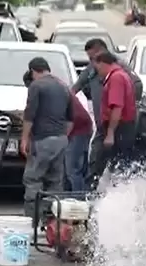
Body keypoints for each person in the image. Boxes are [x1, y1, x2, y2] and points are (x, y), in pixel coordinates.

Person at [20, 57, 74, 219]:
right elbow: (70, 119)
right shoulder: (64, 86)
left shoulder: (37, 86)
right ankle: (52, 220)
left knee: (33, 179)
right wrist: (63, 136)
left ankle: (33, 219)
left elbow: (30, 114)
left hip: (42, 139)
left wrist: (24, 139)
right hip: (61, 139)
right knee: (55, 181)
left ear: (32, 71)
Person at [86, 52, 138, 190]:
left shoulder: (116, 78)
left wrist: (110, 133)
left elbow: (117, 107)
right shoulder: (120, 75)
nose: (97, 72)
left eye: (97, 68)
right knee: (116, 166)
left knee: (108, 165)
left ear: (103, 63)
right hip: (120, 128)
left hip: (118, 129)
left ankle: (101, 194)